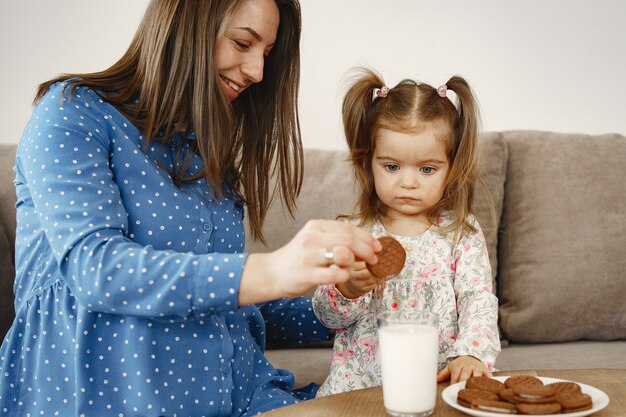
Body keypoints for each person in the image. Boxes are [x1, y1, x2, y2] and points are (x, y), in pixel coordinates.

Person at [0, 1, 382, 416]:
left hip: (243, 396)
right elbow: (97, 269)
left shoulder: (205, 158)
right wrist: (272, 269)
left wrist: (340, 301)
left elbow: (227, 308)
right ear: (187, 24)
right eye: (242, 42)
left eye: (266, 54)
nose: (256, 72)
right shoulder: (71, 113)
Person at [312, 68, 501, 397]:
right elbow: (327, 317)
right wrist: (348, 288)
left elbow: (477, 298)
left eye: (427, 169)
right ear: (369, 162)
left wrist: (470, 353)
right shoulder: (353, 232)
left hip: (435, 384)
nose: (408, 182)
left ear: (452, 166)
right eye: (392, 166)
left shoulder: (461, 231)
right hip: (361, 388)